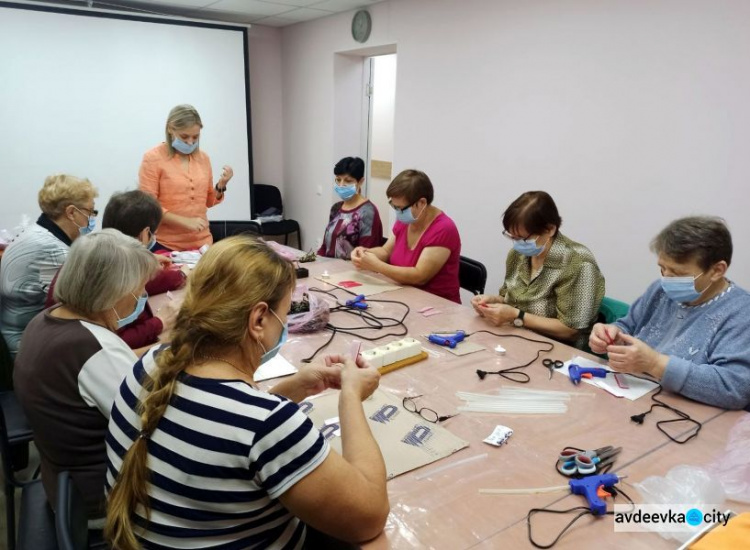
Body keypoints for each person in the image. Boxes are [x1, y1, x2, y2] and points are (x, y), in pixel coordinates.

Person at [105, 236, 389, 550]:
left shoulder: (151, 362)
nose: (286, 322)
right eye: (285, 313)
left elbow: (227, 427)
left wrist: (296, 387)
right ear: (258, 319)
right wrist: (351, 396)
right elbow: (370, 515)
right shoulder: (267, 424)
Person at [14, 229, 158, 519]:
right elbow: (156, 424)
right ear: (112, 293)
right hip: (101, 498)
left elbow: (113, 369)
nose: (142, 297)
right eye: (138, 289)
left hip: (62, 481)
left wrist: (160, 353)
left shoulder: (47, 320)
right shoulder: (93, 349)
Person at [590, 216, 750, 410]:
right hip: (632, 397)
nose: (667, 279)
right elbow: (628, 327)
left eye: (678, 274)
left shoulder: (741, 313)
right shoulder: (660, 290)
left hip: (686, 415)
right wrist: (610, 335)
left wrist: (655, 364)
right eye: (662, 268)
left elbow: (733, 388)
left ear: (717, 270)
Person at [44, 190, 184, 350]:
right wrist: (159, 323)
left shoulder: (94, 251)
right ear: (145, 234)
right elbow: (111, 342)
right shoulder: (117, 269)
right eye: (155, 233)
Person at [471, 191, 604, 349]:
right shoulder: (517, 255)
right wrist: (493, 301)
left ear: (550, 229)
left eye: (522, 238)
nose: (517, 244)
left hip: (559, 351)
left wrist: (516, 316)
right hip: (515, 338)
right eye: (512, 237)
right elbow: (510, 298)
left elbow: (571, 330)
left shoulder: (578, 264)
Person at [0, 174, 98, 356]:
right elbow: (86, 307)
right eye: (91, 212)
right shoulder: (52, 251)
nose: (92, 218)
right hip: (27, 350)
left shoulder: (35, 233)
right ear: (71, 212)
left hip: (14, 336)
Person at [351, 169, 461, 303]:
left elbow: (419, 276)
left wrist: (377, 266)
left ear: (421, 203)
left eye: (400, 208)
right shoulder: (407, 219)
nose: (398, 212)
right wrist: (364, 253)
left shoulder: (444, 229)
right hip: (403, 296)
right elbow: (386, 251)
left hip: (436, 306)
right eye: (394, 207)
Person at [139, 104, 233, 251]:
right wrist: (185, 222)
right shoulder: (153, 158)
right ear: (170, 129)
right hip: (165, 244)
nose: (190, 142)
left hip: (202, 243)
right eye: (184, 136)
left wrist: (221, 185)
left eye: (195, 137)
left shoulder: (203, 158)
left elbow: (208, 201)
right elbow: (148, 207)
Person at [317, 157, 383, 259]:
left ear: (360, 181)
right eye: (338, 180)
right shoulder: (336, 208)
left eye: (348, 180)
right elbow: (325, 246)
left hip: (351, 271)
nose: (341, 185)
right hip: (328, 269)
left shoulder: (368, 212)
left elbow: (366, 255)